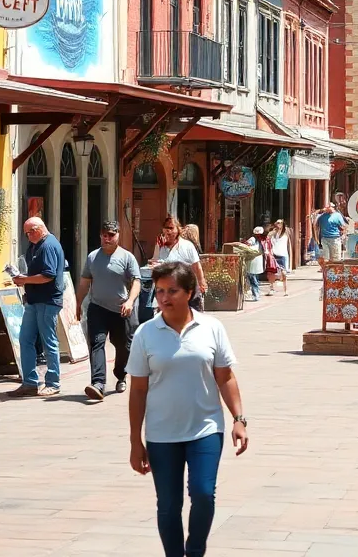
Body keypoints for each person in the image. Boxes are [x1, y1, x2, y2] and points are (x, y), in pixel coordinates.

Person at [127, 261, 248, 557]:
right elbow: (138, 390)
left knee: (204, 494)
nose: (164, 298)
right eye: (159, 291)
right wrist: (135, 441)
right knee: (169, 505)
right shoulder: (145, 333)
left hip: (206, 428)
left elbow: (225, 377)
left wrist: (239, 419)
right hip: (162, 434)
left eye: (172, 291)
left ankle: (194, 551)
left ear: (189, 292)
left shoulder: (211, 328)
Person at [76, 220, 141, 402]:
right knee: (96, 343)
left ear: (118, 235)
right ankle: (98, 383)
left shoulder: (127, 257)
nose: (107, 238)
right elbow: (84, 282)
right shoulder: (93, 257)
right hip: (98, 308)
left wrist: (130, 301)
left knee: (123, 346)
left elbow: (136, 282)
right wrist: (78, 303)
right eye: (104, 235)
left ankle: (121, 374)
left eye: (111, 235)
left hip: (121, 310)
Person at [9, 217, 65, 397]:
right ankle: (29, 382)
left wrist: (25, 280)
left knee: (49, 341)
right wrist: (23, 279)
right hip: (33, 300)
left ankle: (53, 382)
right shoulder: (35, 245)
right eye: (26, 233)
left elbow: (48, 275)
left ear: (39, 229)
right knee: (25, 339)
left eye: (30, 232)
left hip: (47, 301)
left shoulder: (48, 245)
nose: (28, 236)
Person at [153, 215, 208, 311]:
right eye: (166, 228)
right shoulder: (162, 247)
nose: (168, 231)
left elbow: (197, 266)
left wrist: (201, 282)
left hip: (187, 290)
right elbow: (155, 261)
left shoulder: (187, 246)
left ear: (178, 229)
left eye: (171, 228)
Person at [225, 228, 265, 302]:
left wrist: (240, 246)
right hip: (256, 262)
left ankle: (255, 295)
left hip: (252, 262)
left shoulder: (254, 239)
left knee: (253, 280)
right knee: (255, 279)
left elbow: (246, 246)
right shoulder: (261, 241)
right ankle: (256, 294)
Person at [268, 219, 291, 295]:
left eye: (281, 223)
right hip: (274, 255)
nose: (279, 224)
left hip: (282, 255)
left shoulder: (286, 232)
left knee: (284, 273)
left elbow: (289, 245)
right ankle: (271, 289)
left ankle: (286, 290)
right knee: (271, 273)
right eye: (278, 223)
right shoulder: (272, 234)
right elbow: (268, 240)